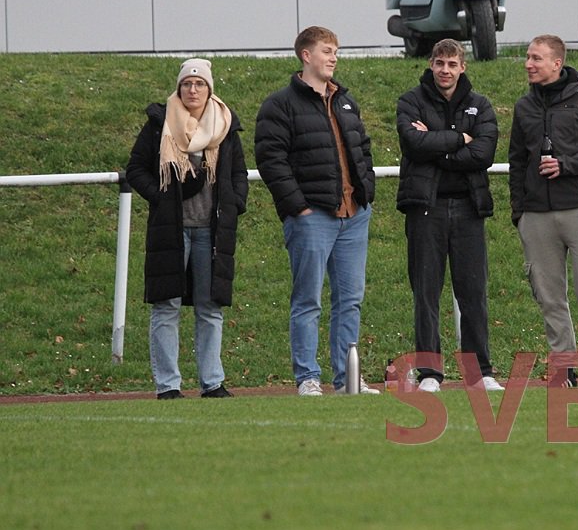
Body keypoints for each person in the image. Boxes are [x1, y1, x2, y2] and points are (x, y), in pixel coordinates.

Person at [254, 26, 379, 396]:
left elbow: (363, 148)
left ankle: (347, 379)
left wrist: (366, 192)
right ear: (306, 55)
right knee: (308, 301)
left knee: (350, 301)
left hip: (353, 216)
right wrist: (298, 207)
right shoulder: (279, 105)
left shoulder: (345, 100)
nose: (333, 57)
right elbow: (270, 160)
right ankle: (308, 377)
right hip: (312, 218)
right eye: (327, 50)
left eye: (336, 51)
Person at [126, 58, 249, 399]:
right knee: (166, 306)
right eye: (187, 84)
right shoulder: (159, 124)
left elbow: (238, 172)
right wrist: (160, 198)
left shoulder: (225, 125)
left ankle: (212, 382)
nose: (193, 90)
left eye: (199, 84)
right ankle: (168, 385)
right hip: (171, 230)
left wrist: (236, 203)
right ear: (179, 88)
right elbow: (136, 169)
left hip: (212, 231)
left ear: (210, 89)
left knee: (210, 308)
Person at [508, 34, 578, 387]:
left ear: (556, 63)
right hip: (537, 215)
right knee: (549, 298)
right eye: (528, 57)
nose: (528, 64)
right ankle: (564, 369)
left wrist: (568, 165)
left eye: (536, 58)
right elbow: (517, 160)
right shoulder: (524, 106)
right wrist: (520, 212)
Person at [396, 39, 503, 393]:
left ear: (463, 67)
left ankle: (479, 372)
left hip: (469, 209)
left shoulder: (480, 105)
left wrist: (437, 144)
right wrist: (460, 139)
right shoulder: (410, 101)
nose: (445, 70)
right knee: (426, 293)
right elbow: (413, 144)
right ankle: (429, 373)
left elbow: (483, 154)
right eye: (439, 63)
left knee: (473, 292)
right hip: (426, 208)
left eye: (452, 64)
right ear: (430, 64)